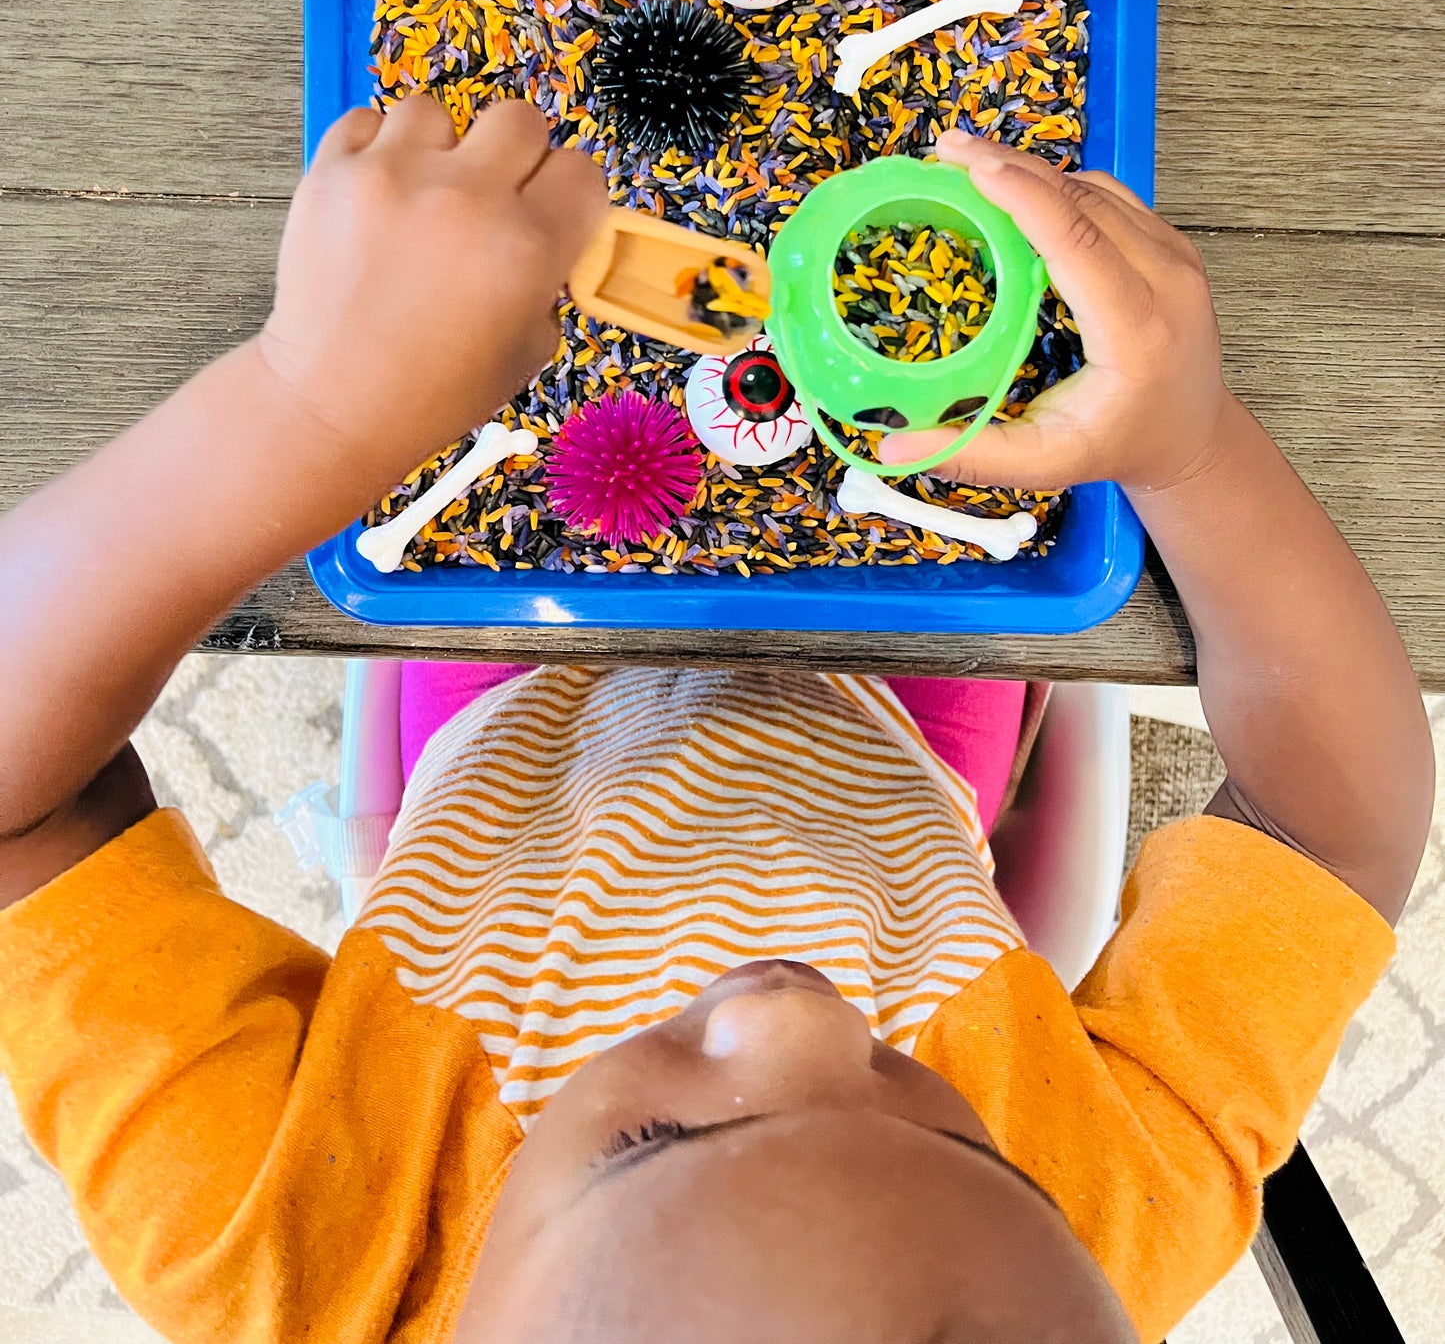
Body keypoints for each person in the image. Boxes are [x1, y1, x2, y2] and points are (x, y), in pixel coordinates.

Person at [0, 99, 1430, 1344]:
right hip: (895, 738)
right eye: (966, 1149)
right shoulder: (1098, 1255)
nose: (794, 1011)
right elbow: (1334, 829)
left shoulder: (272, 1253)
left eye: (648, 1145)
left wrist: (306, 410)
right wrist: (1190, 448)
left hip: (516, 744)